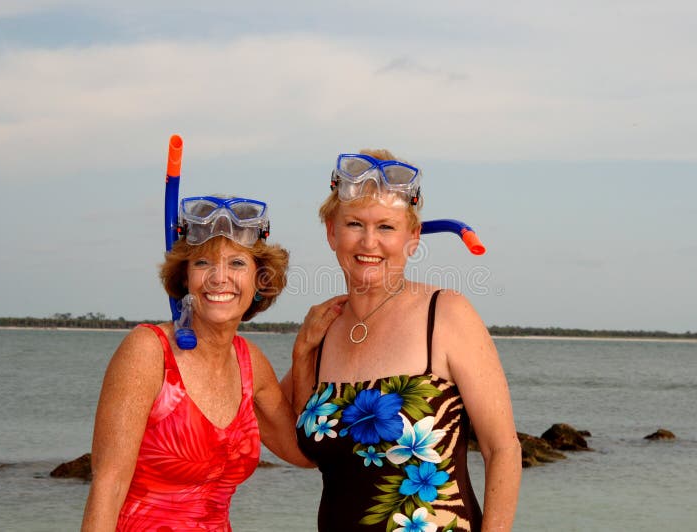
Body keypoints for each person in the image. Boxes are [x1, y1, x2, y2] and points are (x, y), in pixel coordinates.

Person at [284, 151, 522, 531]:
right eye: (354, 224)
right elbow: (302, 445)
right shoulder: (323, 330)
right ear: (332, 231)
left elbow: (503, 450)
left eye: (386, 227)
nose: (369, 241)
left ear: (412, 238)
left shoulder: (446, 315)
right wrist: (301, 354)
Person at [82, 195, 313, 531]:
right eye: (203, 263)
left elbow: (303, 452)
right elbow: (108, 486)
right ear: (185, 278)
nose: (219, 278)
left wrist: (303, 352)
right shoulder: (148, 352)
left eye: (236, 264)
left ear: (259, 280)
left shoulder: (250, 363)